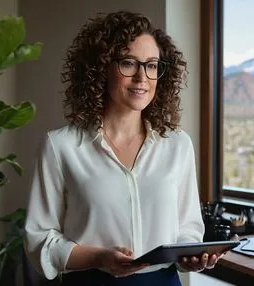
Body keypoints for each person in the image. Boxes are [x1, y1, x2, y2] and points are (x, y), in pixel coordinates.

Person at [24, 11, 221, 285]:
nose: (142, 77)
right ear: (101, 67)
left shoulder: (178, 145)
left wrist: (192, 254)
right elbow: (39, 238)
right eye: (129, 63)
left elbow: (188, 227)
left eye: (152, 65)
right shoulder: (60, 146)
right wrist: (98, 258)